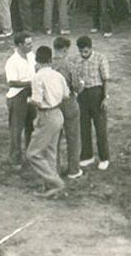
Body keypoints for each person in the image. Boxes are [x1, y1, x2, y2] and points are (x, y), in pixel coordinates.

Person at [26, 45, 70, 198]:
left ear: (36, 61)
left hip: (46, 116)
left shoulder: (38, 77)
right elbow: (66, 95)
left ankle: (57, 183)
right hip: (58, 114)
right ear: (50, 60)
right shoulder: (58, 75)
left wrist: (28, 100)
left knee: (33, 154)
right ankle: (51, 189)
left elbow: (37, 101)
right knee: (50, 152)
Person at [76, 36, 110, 171]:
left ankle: (104, 158)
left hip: (97, 94)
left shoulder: (100, 58)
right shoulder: (76, 60)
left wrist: (105, 97)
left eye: (85, 51)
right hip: (82, 95)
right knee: (84, 126)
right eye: (80, 51)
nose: (83, 54)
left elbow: (106, 80)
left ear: (91, 48)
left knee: (100, 127)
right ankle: (87, 155)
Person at [51, 37, 82, 179]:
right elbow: (76, 86)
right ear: (64, 49)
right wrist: (81, 85)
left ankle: (55, 170)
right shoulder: (69, 65)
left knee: (54, 139)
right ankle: (73, 170)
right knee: (73, 137)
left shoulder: (46, 65)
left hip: (52, 104)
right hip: (68, 103)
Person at [4, 32, 36, 167]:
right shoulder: (12, 61)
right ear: (20, 45)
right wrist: (30, 83)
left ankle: (30, 156)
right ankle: (15, 159)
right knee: (16, 129)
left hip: (32, 94)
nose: (31, 45)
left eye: (31, 43)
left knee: (31, 126)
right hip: (18, 96)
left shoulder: (32, 56)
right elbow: (12, 83)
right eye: (28, 44)